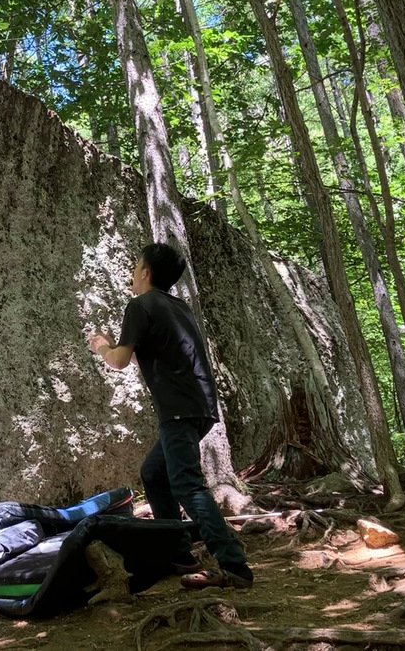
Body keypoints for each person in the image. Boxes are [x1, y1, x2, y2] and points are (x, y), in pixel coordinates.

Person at [87, 243, 254, 589]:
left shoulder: (140, 305)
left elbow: (118, 361)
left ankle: (234, 565)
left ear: (146, 272)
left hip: (178, 410)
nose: (132, 274)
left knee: (187, 485)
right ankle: (177, 553)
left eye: (135, 266)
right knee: (154, 473)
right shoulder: (177, 307)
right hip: (199, 406)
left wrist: (101, 346)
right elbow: (147, 355)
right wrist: (117, 348)